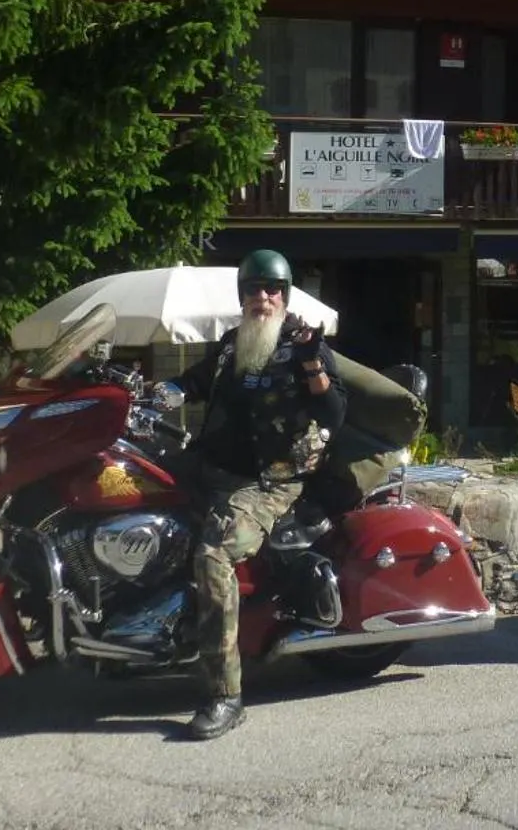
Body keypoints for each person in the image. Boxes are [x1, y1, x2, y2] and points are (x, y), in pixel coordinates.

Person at [167, 248, 346, 739]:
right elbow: (193, 381)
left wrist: (312, 363)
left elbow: (332, 411)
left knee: (213, 556)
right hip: (213, 468)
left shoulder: (302, 346)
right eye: (253, 289)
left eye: (272, 289)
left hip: (269, 482)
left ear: (284, 296)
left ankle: (225, 694)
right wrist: (151, 392)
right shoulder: (233, 344)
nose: (262, 297)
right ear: (242, 296)